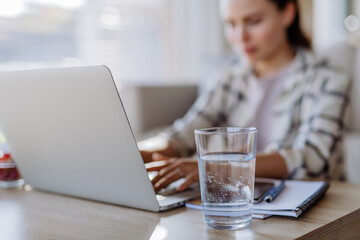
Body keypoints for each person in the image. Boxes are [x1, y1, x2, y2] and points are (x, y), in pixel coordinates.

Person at [138, 0, 351, 193]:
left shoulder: (328, 79)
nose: (240, 37)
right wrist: (134, 153)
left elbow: (314, 158)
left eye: (254, 21)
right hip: (236, 199)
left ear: (287, 13)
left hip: (310, 206)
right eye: (231, 24)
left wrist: (220, 168)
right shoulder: (230, 76)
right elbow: (183, 135)